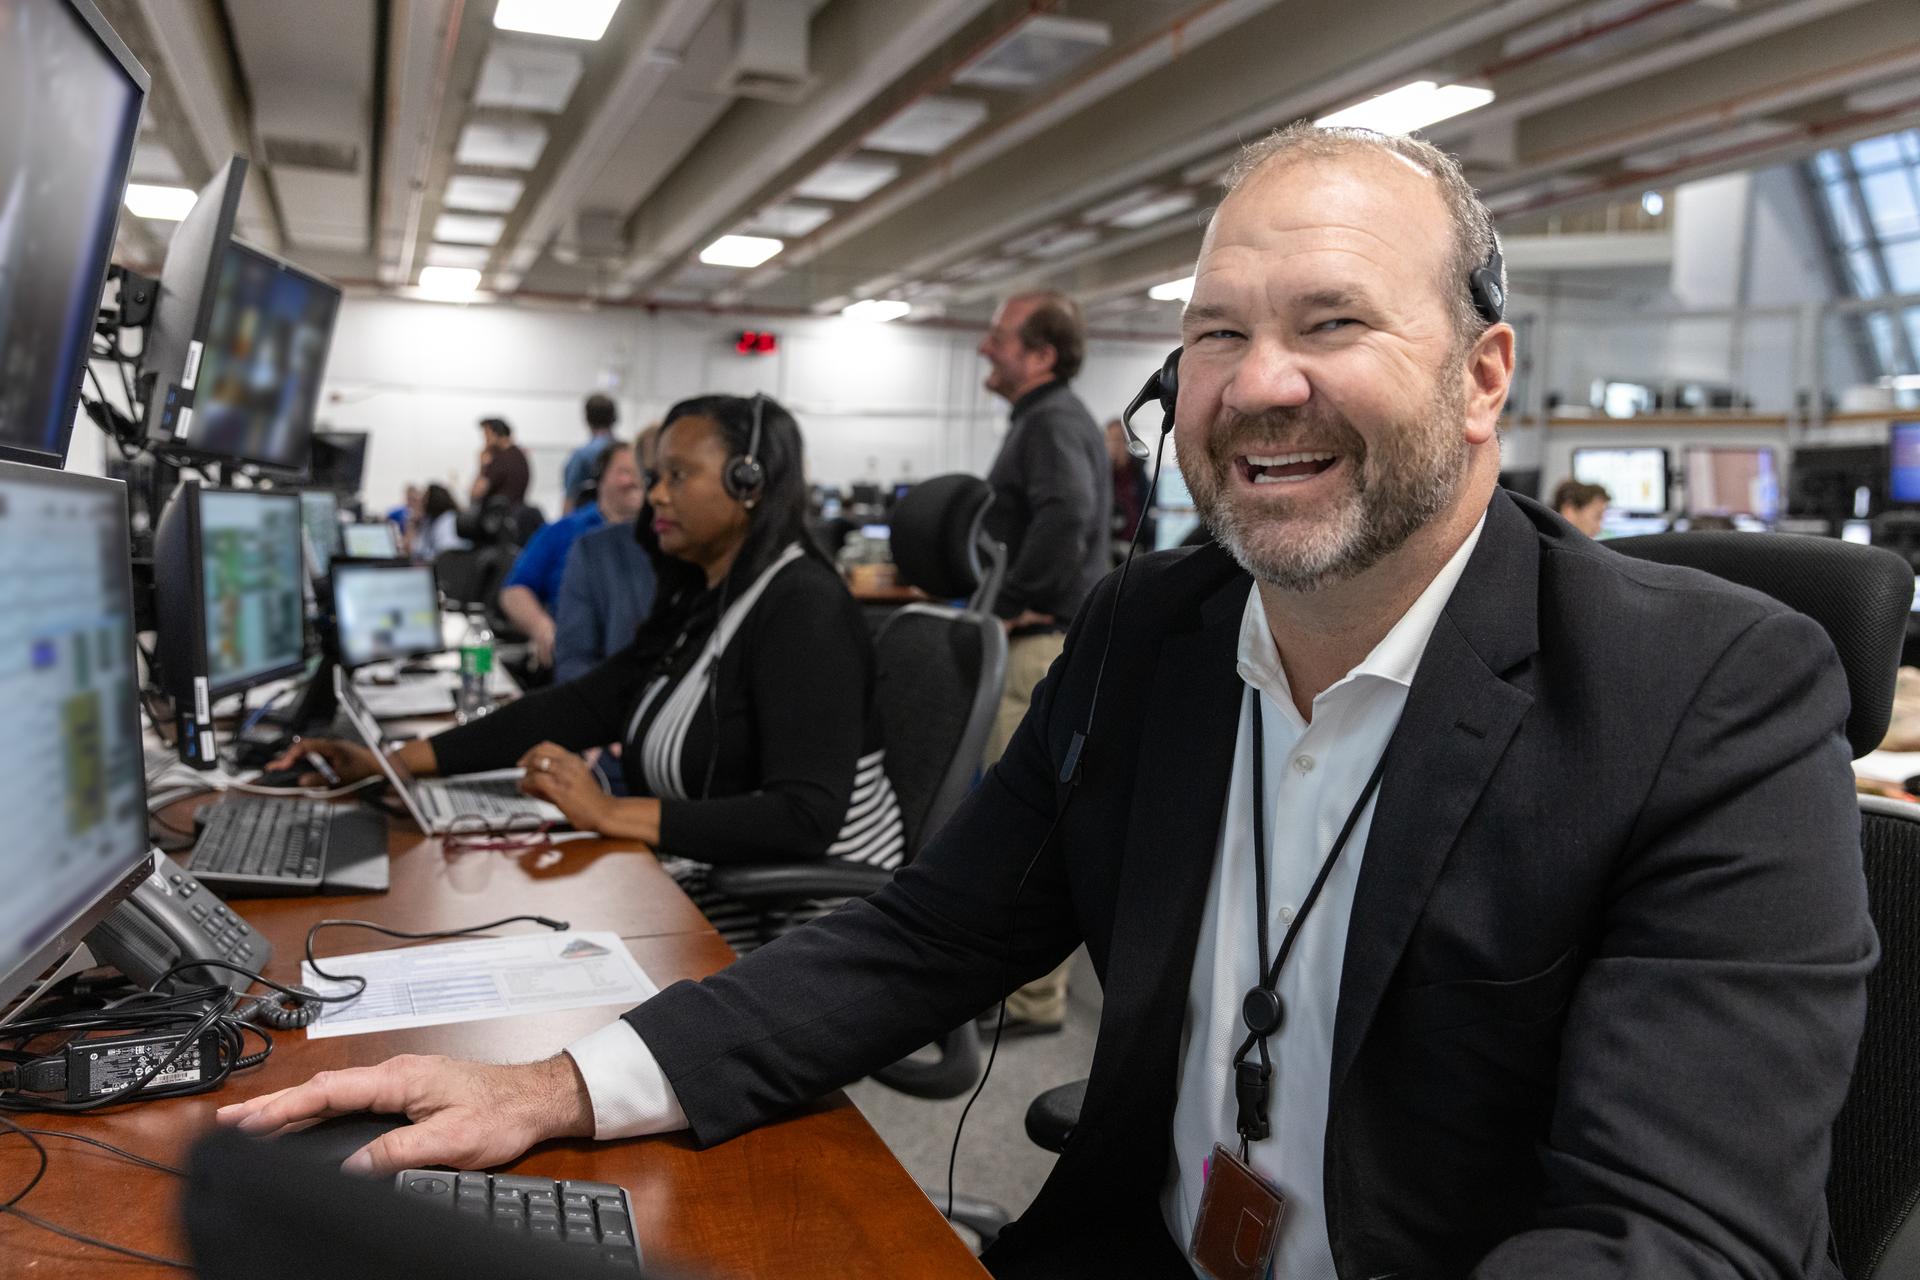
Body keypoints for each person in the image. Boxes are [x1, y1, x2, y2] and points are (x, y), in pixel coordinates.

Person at [220, 125, 1872, 1280]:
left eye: (1332, 324)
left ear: (1484, 375)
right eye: (1217, 334)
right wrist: (560, 1084)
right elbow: (919, 940)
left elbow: (1670, 1237)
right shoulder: (1159, 634)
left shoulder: (1704, 695)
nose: (1260, 384)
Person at [264, 393, 904, 950]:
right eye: (657, 476)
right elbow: (577, 706)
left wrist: (611, 813)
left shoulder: (804, 606)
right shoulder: (709, 596)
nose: (655, 494)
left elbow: (803, 817)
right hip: (722, 878)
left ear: (749, 484)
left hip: (807, 917)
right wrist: (396, 763)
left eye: (677, 476)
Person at [975, 289, 1111, 1036]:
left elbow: (1069, 512)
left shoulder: (1052, 420)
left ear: (1041, 354)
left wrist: (1015, 598)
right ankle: (1022, 990)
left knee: (1028, 825)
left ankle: (1032, 1001)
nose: (984, 348)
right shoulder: (1043, 418)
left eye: (999, 337)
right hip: (1039, 637)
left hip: (1040, 644)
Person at [498, 441, 648, 671]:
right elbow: (514, 591)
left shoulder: (662, 537)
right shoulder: (563, 531)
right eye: (625, 472)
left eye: (642, 473)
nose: (635, 481)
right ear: (601, 477)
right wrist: (542, 628)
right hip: (577, 659)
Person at [553, 425, 662, 684]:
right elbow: (573, 660)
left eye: (679, 476)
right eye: (653, 476)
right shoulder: (591, 548)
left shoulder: (726, 562)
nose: (662, 492)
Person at [563, 393, 621, 512]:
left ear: (587, 418)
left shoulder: (581, 455)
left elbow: (570, 497)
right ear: (614, 417)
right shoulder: (626, 452)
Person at [1106, 417, 1155, 556]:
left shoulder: (1140, 476)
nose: (1113, 446)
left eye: (1117, 440)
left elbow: (1149, 511)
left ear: (1128, 443)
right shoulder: (1100, 477)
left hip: (1134, 551)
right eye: (1108, 440)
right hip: (1105, 550)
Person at [471, 417, 531, 508]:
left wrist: (483, 465)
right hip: (514, 510)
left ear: (496, 434)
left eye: (487, 434)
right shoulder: (518, 455)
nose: (485, 439)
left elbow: (476, 492)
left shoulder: (500, 459)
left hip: (497, 514)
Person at [409, 484, 469, 561]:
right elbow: (416, 551)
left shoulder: (448, 519)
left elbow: (447, 553)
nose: (422, 503)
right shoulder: (428, 522)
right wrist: (413, 524)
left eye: (425, 499)